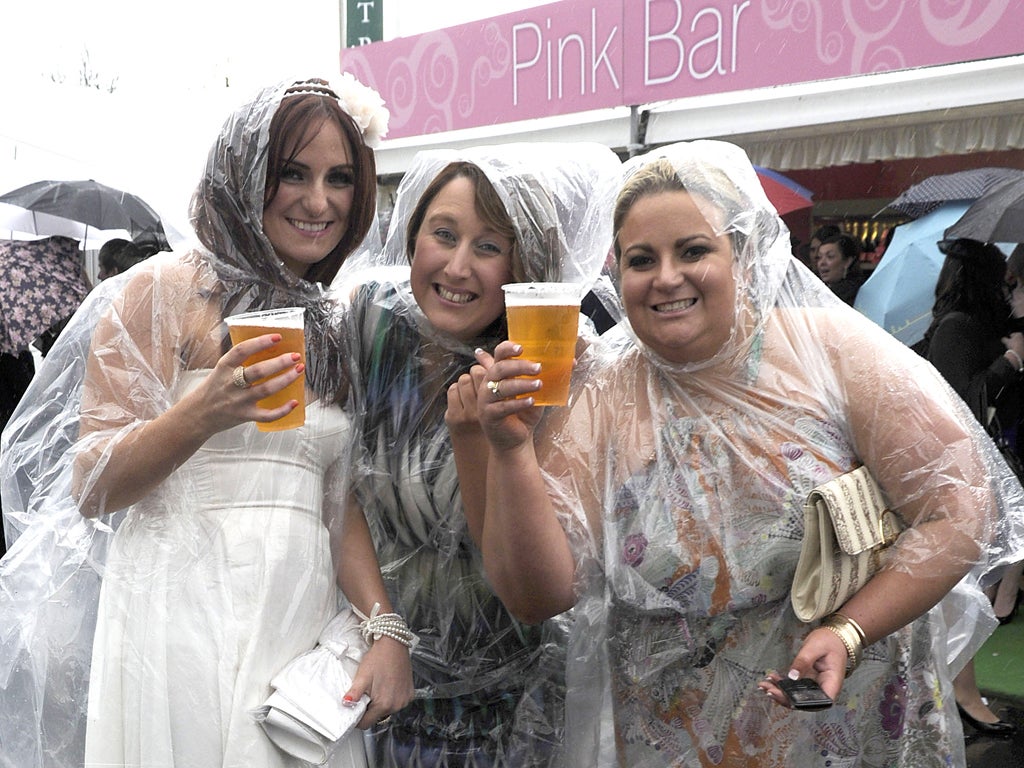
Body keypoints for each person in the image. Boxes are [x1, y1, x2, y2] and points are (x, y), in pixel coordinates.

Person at [463, 140, 1024, 766]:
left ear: (747, 252)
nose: (666, 277)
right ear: (616, 273)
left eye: (694, 250)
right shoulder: (602, 391)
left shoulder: (832, 356)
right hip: (674, 740)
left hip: (847, 729)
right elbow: (540, 596)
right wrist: (510, 450)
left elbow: (958, 508)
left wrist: (850, 627)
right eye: (641, 259)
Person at [0, 75, 413, 768]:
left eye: (340, 177)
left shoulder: (330, 317)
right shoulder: (161, 289)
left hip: (297, 614)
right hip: (178, 612)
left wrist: (385, 628)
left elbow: (333, 497)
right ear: (244, 172)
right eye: (292, 173)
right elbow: (92, 483)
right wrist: (201, 414)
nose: (319, 201)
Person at [343, 142, 621, 767]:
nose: (459, 266)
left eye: (489, 246)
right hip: (378, 685)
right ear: (412, 239)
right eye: (443, 234)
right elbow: (333, 494)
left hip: (511, 710)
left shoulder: (552, 364)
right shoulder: (371, 327)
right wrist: (381, 627)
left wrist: (485, 440)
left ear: (527, 265)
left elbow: (526, 583)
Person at [917, 237, 1024, 737]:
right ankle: (960, 693)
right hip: (958, 474)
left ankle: (959, 691)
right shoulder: (958, 328)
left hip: (972, 473)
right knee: (965, 586)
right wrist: (1011, 362)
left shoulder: (971, 327)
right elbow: (966, 401)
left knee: (969, 586)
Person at [814, 231, 864, 305]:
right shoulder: (815, 289)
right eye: (819, 257)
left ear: (847, 261)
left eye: (830, 256)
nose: (822, 263)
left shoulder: (856, 294)